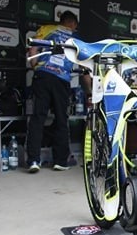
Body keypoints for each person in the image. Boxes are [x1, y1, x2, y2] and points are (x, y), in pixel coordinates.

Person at [26, 10, 90, 173]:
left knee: (38, 118)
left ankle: (33, 160)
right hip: (62, 80)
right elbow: (84, 69)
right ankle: (60, 161)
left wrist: (36, 67)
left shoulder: (47, 29)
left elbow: (32, 50)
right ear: (73, 24)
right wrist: (89, 91)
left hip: (43, 76)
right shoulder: (77, 40)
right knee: (62, 119)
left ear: (60, 21)